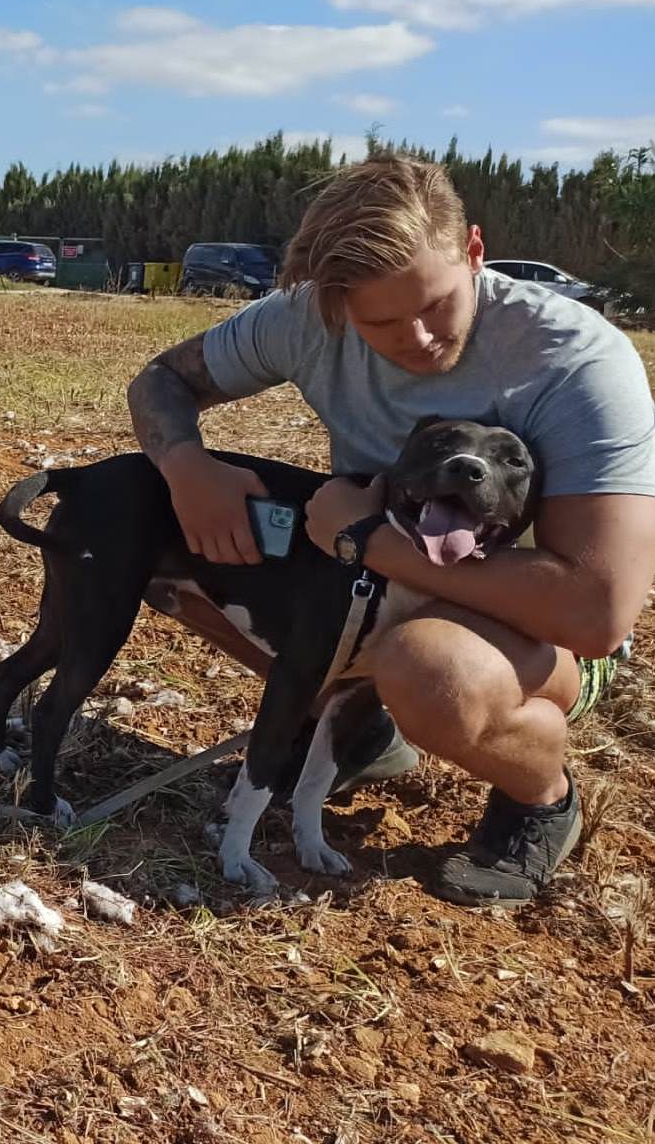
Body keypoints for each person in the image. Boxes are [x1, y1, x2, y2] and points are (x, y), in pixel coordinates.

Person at [127, 154, 655, 908]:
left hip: (541, 629)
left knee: (427, 664)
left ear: (474, 251)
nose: (418, 338)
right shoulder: (307, 318)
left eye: (436, 304)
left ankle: (539, 800)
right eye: (377, 322)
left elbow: (596, 613)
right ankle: (358, 731)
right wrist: (186, 468)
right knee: (189, 565)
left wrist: (366, 541)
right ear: (331, 302)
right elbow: (161, 380)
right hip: (370, 580)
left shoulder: (572, 359)